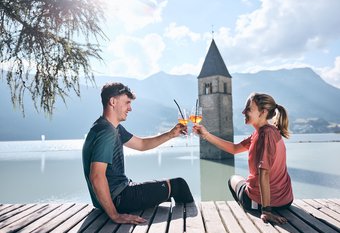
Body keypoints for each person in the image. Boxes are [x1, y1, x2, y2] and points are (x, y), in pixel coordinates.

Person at [82, 82, 194, 224]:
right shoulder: (107, 132)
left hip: (117, 195)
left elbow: (141, 144)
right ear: (113, 102)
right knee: (179, 185)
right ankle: (191, 229)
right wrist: (115, 216)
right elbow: (96, 176)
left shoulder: (108, 127)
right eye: (127, 103)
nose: (130, 108)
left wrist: (170, 134)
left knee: (164, 189)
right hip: (120, 199)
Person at [193, 92, 293, 224]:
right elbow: (234, 149)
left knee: (233, 179)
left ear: (262, 112)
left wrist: (266, 211)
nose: (243, 112)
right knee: (242, 179)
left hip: (264, 204)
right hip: (285, 200)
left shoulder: (265, 135)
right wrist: (206, 134)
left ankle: (252, 211)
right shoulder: (266, 131)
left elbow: (265, 173)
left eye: (248, 109)